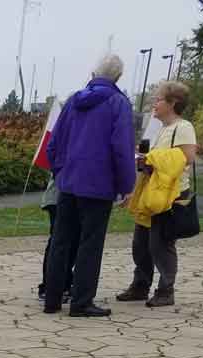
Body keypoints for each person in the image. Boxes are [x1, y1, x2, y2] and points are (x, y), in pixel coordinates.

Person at [43, 55, 136, 317]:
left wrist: (60, 172)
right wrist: (127, 185)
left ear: (94, 73)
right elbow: (122, 149)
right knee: (90, 243)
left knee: (61, 241)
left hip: (69, 182)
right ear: (118, 77)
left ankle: (52, 299)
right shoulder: (118, 103)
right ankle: (81, 301)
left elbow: (54, 143)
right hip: (98, 185)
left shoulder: (73, 101)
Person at [117, 81, 197, 308]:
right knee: (140, 243)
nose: (155, 103)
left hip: (170, 195)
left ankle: (165, 290)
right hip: (152, 193)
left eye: (159, 99)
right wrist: (145, 162)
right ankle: (140, 285)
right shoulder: (162, 129)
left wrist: (153, 159)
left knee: (161, 244)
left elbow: (186, 157)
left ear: (173, 103)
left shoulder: (183, 127)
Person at [38, 178, 74, 301]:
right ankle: (49, 286)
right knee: (58, 244)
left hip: (73, 198)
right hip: (57, 198)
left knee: (72, 243)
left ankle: (66, 283)